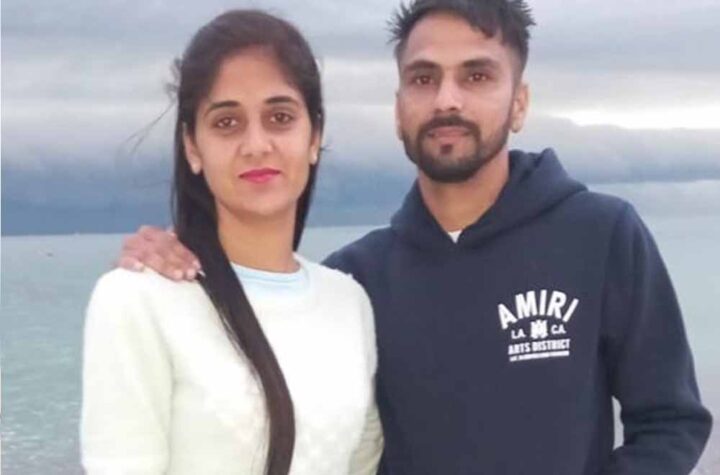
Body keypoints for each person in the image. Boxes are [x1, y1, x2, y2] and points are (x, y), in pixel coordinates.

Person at [117, 1, 712, 474]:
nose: (447, 99)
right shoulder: (353, 283)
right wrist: (175, 263)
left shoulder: (602, 236)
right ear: (399, 107)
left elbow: (671, 422)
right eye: (423, 78)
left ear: (519, 103)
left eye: (477, 75)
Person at [81, 9, 382, 475]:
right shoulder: (137, 300)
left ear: (314, 136)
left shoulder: (349, 303)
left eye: (280, 117)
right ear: (192, 146)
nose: (256, 144)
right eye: (227, 123)